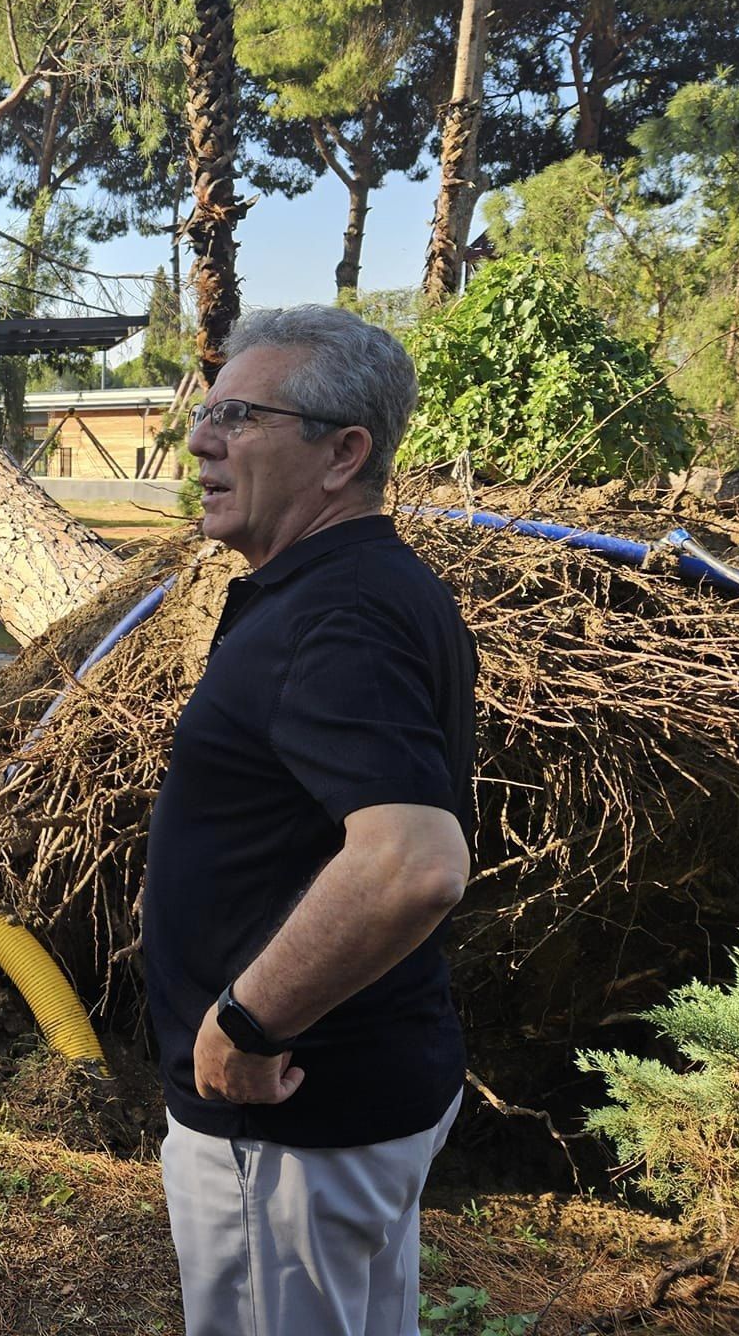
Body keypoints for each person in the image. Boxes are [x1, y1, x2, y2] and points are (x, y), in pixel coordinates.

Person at [142, 305, 475, 1336]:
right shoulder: (356, 587)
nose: (199, 441)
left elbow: (410, 862)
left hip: (289, 1119)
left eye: (237, 417)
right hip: (345, 1105)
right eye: (203, 415)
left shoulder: (335, 614)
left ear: (342, 453)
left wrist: (247, 1021)